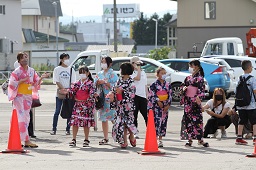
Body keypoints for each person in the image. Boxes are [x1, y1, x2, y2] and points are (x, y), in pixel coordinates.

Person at [8, 52, 49, 147]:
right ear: (19, 61)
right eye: (22, 58)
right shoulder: (16, 72)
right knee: (21, 118)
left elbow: (35, 83)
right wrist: (21, 81)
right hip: (19, 96)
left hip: (28, 96)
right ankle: (25, 140)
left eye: (26, 57)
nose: (25, 59)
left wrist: (41, 78)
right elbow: (11, 84)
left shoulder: (31, 71)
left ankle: (23, 140)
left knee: (26, 118)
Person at [180, 59, 209, 147]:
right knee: (188, 121)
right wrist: (184, 88)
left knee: (197, 121)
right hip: (188, 102)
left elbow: (202, 90)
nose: (190, 68)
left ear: (196, 66)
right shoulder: (188, 78)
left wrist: (198, 97)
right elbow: (183, 85)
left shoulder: (199, 78)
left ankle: (200, 139)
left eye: (191, 66)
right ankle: (189, 139)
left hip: (195, 102)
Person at [109, 62, 138, 148]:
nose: (120, 71)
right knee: (121, 124)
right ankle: (124, 140)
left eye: (121, 69)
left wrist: (122, 92)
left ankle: (131, 136)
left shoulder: (131, 82)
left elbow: (132, 95)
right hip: (119, 105)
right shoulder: (119, 80)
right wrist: (112, 93)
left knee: (128, 123)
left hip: (128, 106)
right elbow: (114, 88)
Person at [68, 66, 95, 147]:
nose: (82, 74)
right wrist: (69, 92)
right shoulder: (77, 83)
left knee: (86, 123)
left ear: (88, 73)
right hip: (78, 105)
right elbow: (72, 91)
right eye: (81, 73)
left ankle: (86, 139)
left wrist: (88, 98)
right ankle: (74, 139)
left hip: (86, 105)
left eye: (84, 72)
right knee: (75, 122)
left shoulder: (90, 83)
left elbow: (92, 93)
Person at [94, 56, 118, 145]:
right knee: (104, 118)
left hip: (110, 98)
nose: (103, 64)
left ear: (109, 63)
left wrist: (105, 83)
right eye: (102, 62)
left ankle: (119, 134)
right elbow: (94, 84)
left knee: (113, 117)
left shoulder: (112, 74)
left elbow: (115, 85)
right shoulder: (99, 73)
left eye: (104, 62)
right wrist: (97, 82)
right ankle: (105, 137)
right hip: (101, 98)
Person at [50, 53, 76, 135]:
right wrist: (62, 89)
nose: (67, 60)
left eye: (68, 58)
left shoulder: (71, 69)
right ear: (61, 59)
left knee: (69, 111)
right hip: (60, 93)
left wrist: (68, 90)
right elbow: (56, 80)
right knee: (57, 111)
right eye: (65, 58)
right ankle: (54, 128)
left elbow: (73, 82)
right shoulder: (57, 69)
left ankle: (68, 129)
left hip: (69, 93)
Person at [148, 67, 172, 148]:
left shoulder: (168, 84)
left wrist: (168, 104)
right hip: (156, 106)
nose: (163, 75)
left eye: (164, 73)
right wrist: (158, 101)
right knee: (156, 122)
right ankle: (155, 139)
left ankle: (160, 139)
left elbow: (170, 94)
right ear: (157, 74)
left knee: (163, 122)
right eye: (162, 73)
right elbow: (152, 94)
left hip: (165, 105)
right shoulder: (154, 84)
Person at [235, 60, 256, 145]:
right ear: (248, 67)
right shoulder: (252, 78)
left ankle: (239, 137)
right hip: (250, 104)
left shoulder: (239, 78)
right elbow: (254, 91)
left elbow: (236, 91)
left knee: (241, 120)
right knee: (254, 121)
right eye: (251, 67)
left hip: (241, 104)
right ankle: (255, 138)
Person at [130, 56, 148, 139]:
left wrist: (147, 96)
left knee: (146, 114)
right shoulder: (131, 73)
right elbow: (138, 78)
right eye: (137, 63)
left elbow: (145, 85)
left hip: (143, 96)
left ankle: (150, 131)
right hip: (135, 96)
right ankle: (135, 132)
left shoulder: (143, 72)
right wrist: (138, 69)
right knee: (135, 115)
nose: (138, 65)